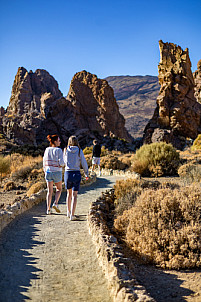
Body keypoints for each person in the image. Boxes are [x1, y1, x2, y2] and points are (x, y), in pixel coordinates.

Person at [64, 136, 88, 221]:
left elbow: (64, 161)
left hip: (67, 173)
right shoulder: (79, 151)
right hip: (76, 173)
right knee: (74, 195)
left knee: (68, 194)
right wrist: (86, 173)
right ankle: (72, 215)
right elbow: (84, 162)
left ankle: (68, 211)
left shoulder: (65, 150)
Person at [43, 134, 64, 214]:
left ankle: (48, 209)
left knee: (49, 191)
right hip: (57, 172)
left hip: (48, 172)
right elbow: (61, 163)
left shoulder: (47, 149)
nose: (60, 142)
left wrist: (45, 170)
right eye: (59, 140)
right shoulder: (59, 150)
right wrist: (63, 164)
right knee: (59, 189)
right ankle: (55, 203)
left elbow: (44, 161)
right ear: (55, 141)